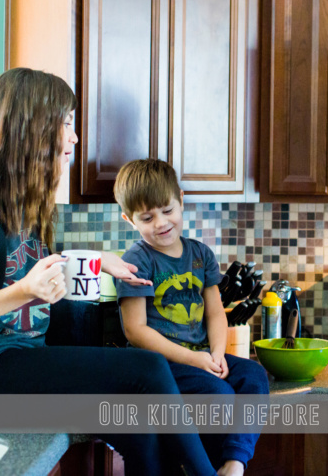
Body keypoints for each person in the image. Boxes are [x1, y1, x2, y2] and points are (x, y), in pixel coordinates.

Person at [0, 68, 218, 476]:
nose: (75, 137)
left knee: (140, 423)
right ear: (32, 127)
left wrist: (93, 262)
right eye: (66, 123)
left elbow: (20, 271)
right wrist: (21, 293)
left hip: (17, 360)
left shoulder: (26, 204)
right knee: (148, 370)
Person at [113, 158, 269, 476]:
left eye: (167, 210)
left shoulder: (200, 255)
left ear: (181, 200)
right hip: (157, 366)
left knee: (254, 376)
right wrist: (194, 359)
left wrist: (215, 353)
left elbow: (214, 311)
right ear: (130, 220)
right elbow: (135, 330)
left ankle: (234, 463)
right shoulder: (135, 261)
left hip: (198, 356)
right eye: (147, 217)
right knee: (220, 396)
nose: (160, 223)